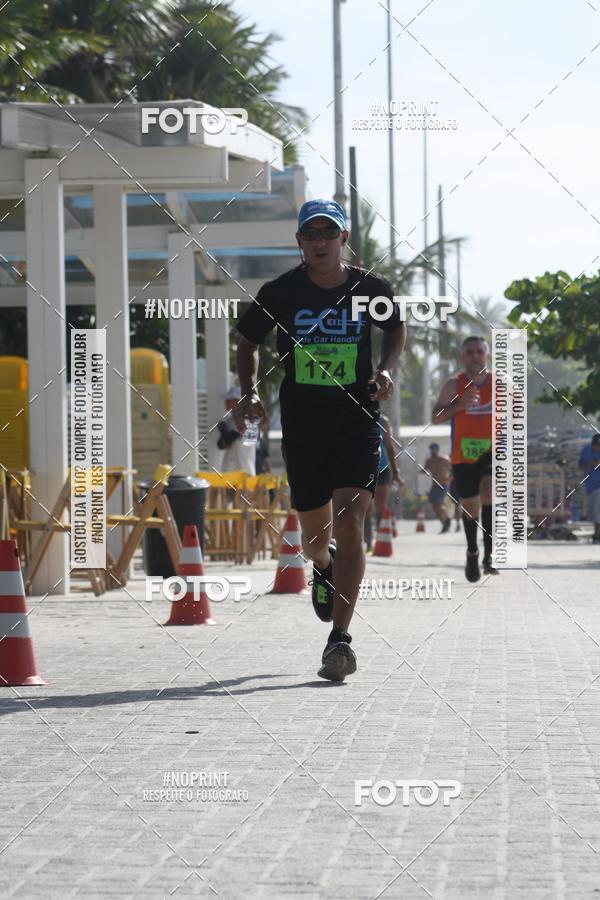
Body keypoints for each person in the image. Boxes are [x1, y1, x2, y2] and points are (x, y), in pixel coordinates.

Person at [234, 198, 406, 681]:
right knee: (315, 539)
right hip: (303, 427)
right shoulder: (281, 292)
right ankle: (323, 566)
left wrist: (387, 371)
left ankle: (340, 641)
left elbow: (395, 329)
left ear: (343, 240)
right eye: (311, 234)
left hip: (356, 421)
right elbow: (247, 340)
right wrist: (248, 393)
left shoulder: (370, 288)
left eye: (329, 233)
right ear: (300, 242)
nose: (320, 242)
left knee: (352, 521)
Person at [432, 336, 498, 582]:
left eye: (480, 351)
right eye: (470, 352)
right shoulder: (454, 384)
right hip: (463, 455)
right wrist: (459, 405)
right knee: (470, 507)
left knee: (489, 493)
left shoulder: (500, 384)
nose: (475, 356)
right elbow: (435, 416)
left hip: (491, 452)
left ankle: (490, 552)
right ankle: (473, 551)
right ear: (463, 357)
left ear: (487, 355)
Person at [365, 414, 403, 550]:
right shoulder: (355, 414)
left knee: (380, 506)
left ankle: (381, 539)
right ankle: (368, 542)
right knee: (367, 508)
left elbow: (389, 447)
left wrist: (396, 472)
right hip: (363, 470)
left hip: (382, 469)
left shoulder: (383, 420)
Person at [217, 386, 256, 476]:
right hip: (229, 471)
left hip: (244, 471)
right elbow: (221, 445)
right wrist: (224, 432)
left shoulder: (248, 420)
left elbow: (232, 439)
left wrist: (225, 433)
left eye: (228, 400)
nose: (225, 402)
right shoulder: (230, 421)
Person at [423, 443, 452, 533]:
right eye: (432, 449)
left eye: (435, 449)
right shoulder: (429, 461)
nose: (433, 451)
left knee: (439, 504)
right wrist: (420, 471)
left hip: (443, 484)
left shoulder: (444, 459)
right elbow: (425, 470)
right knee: (435, 506)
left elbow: (452, 470)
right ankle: (444, 523)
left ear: (438, 449)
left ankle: (447, 518)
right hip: (434, 485)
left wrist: (448, 479)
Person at [578, 433, 600, 543]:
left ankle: (597, 535)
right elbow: (581, 466)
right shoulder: (586, 451)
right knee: (592, 511)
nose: (597, 448)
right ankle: (596, 533)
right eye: (596, 445)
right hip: (590, 486)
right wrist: (589, 464)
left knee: (597, 510)